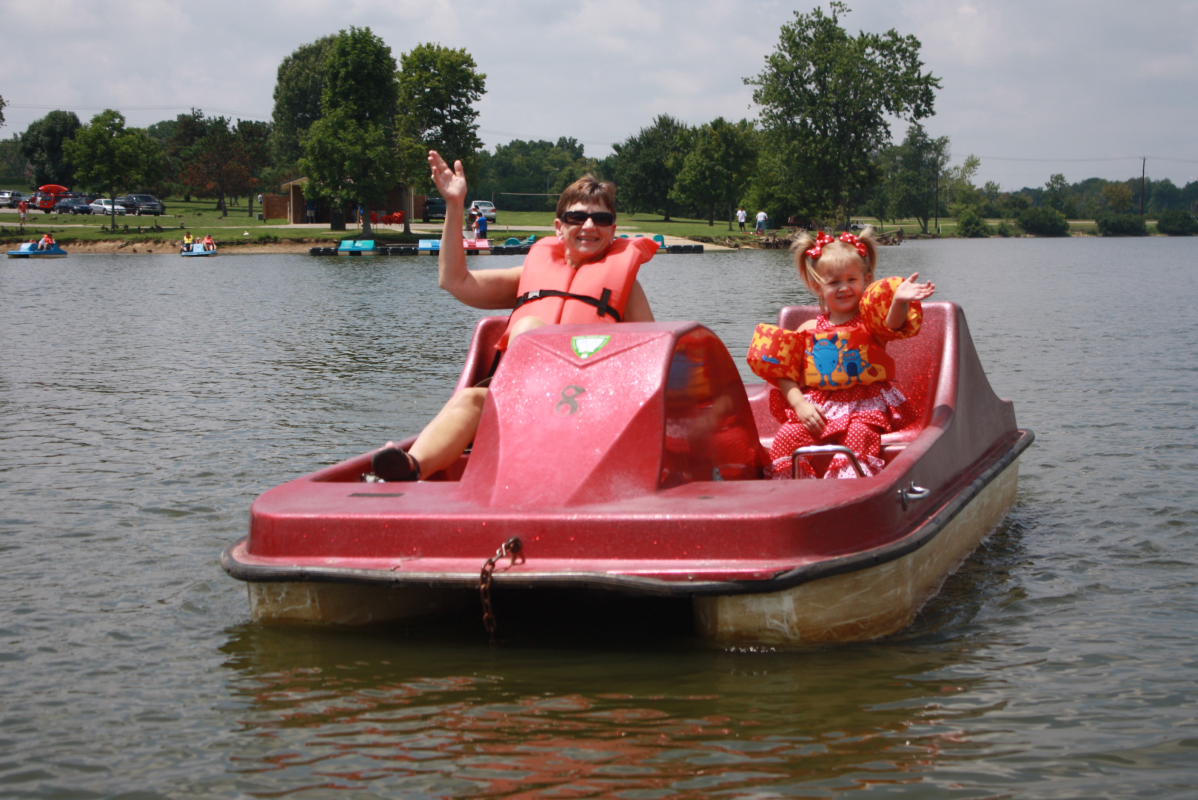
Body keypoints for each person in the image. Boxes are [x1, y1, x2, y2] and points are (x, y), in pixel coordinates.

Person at [371, 150, 658, 482]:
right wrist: (454, 205)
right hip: (516, 403)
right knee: (471, 399)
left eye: (601, 220)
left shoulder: (626, 289)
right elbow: (455, 280)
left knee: (531, 328)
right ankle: (410, 467)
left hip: (587, 403)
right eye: (577, 218)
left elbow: (647, 359)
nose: (589, 226)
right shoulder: (527, 276)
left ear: (613, 230)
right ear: (559, 227)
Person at [746, 228, 936, 479]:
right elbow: (784, 373)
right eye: (834, 282)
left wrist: (899, 301)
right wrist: (799, 404)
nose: (844, 288)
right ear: (817, 286)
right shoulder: (808, 330)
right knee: (787, 436)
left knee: (858, 434)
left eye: (851, 280)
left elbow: (893, 324)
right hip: (820, 407)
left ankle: (849, 488)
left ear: (866, 280)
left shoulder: (871, 324)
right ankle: (794, 490)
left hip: (865, 406)